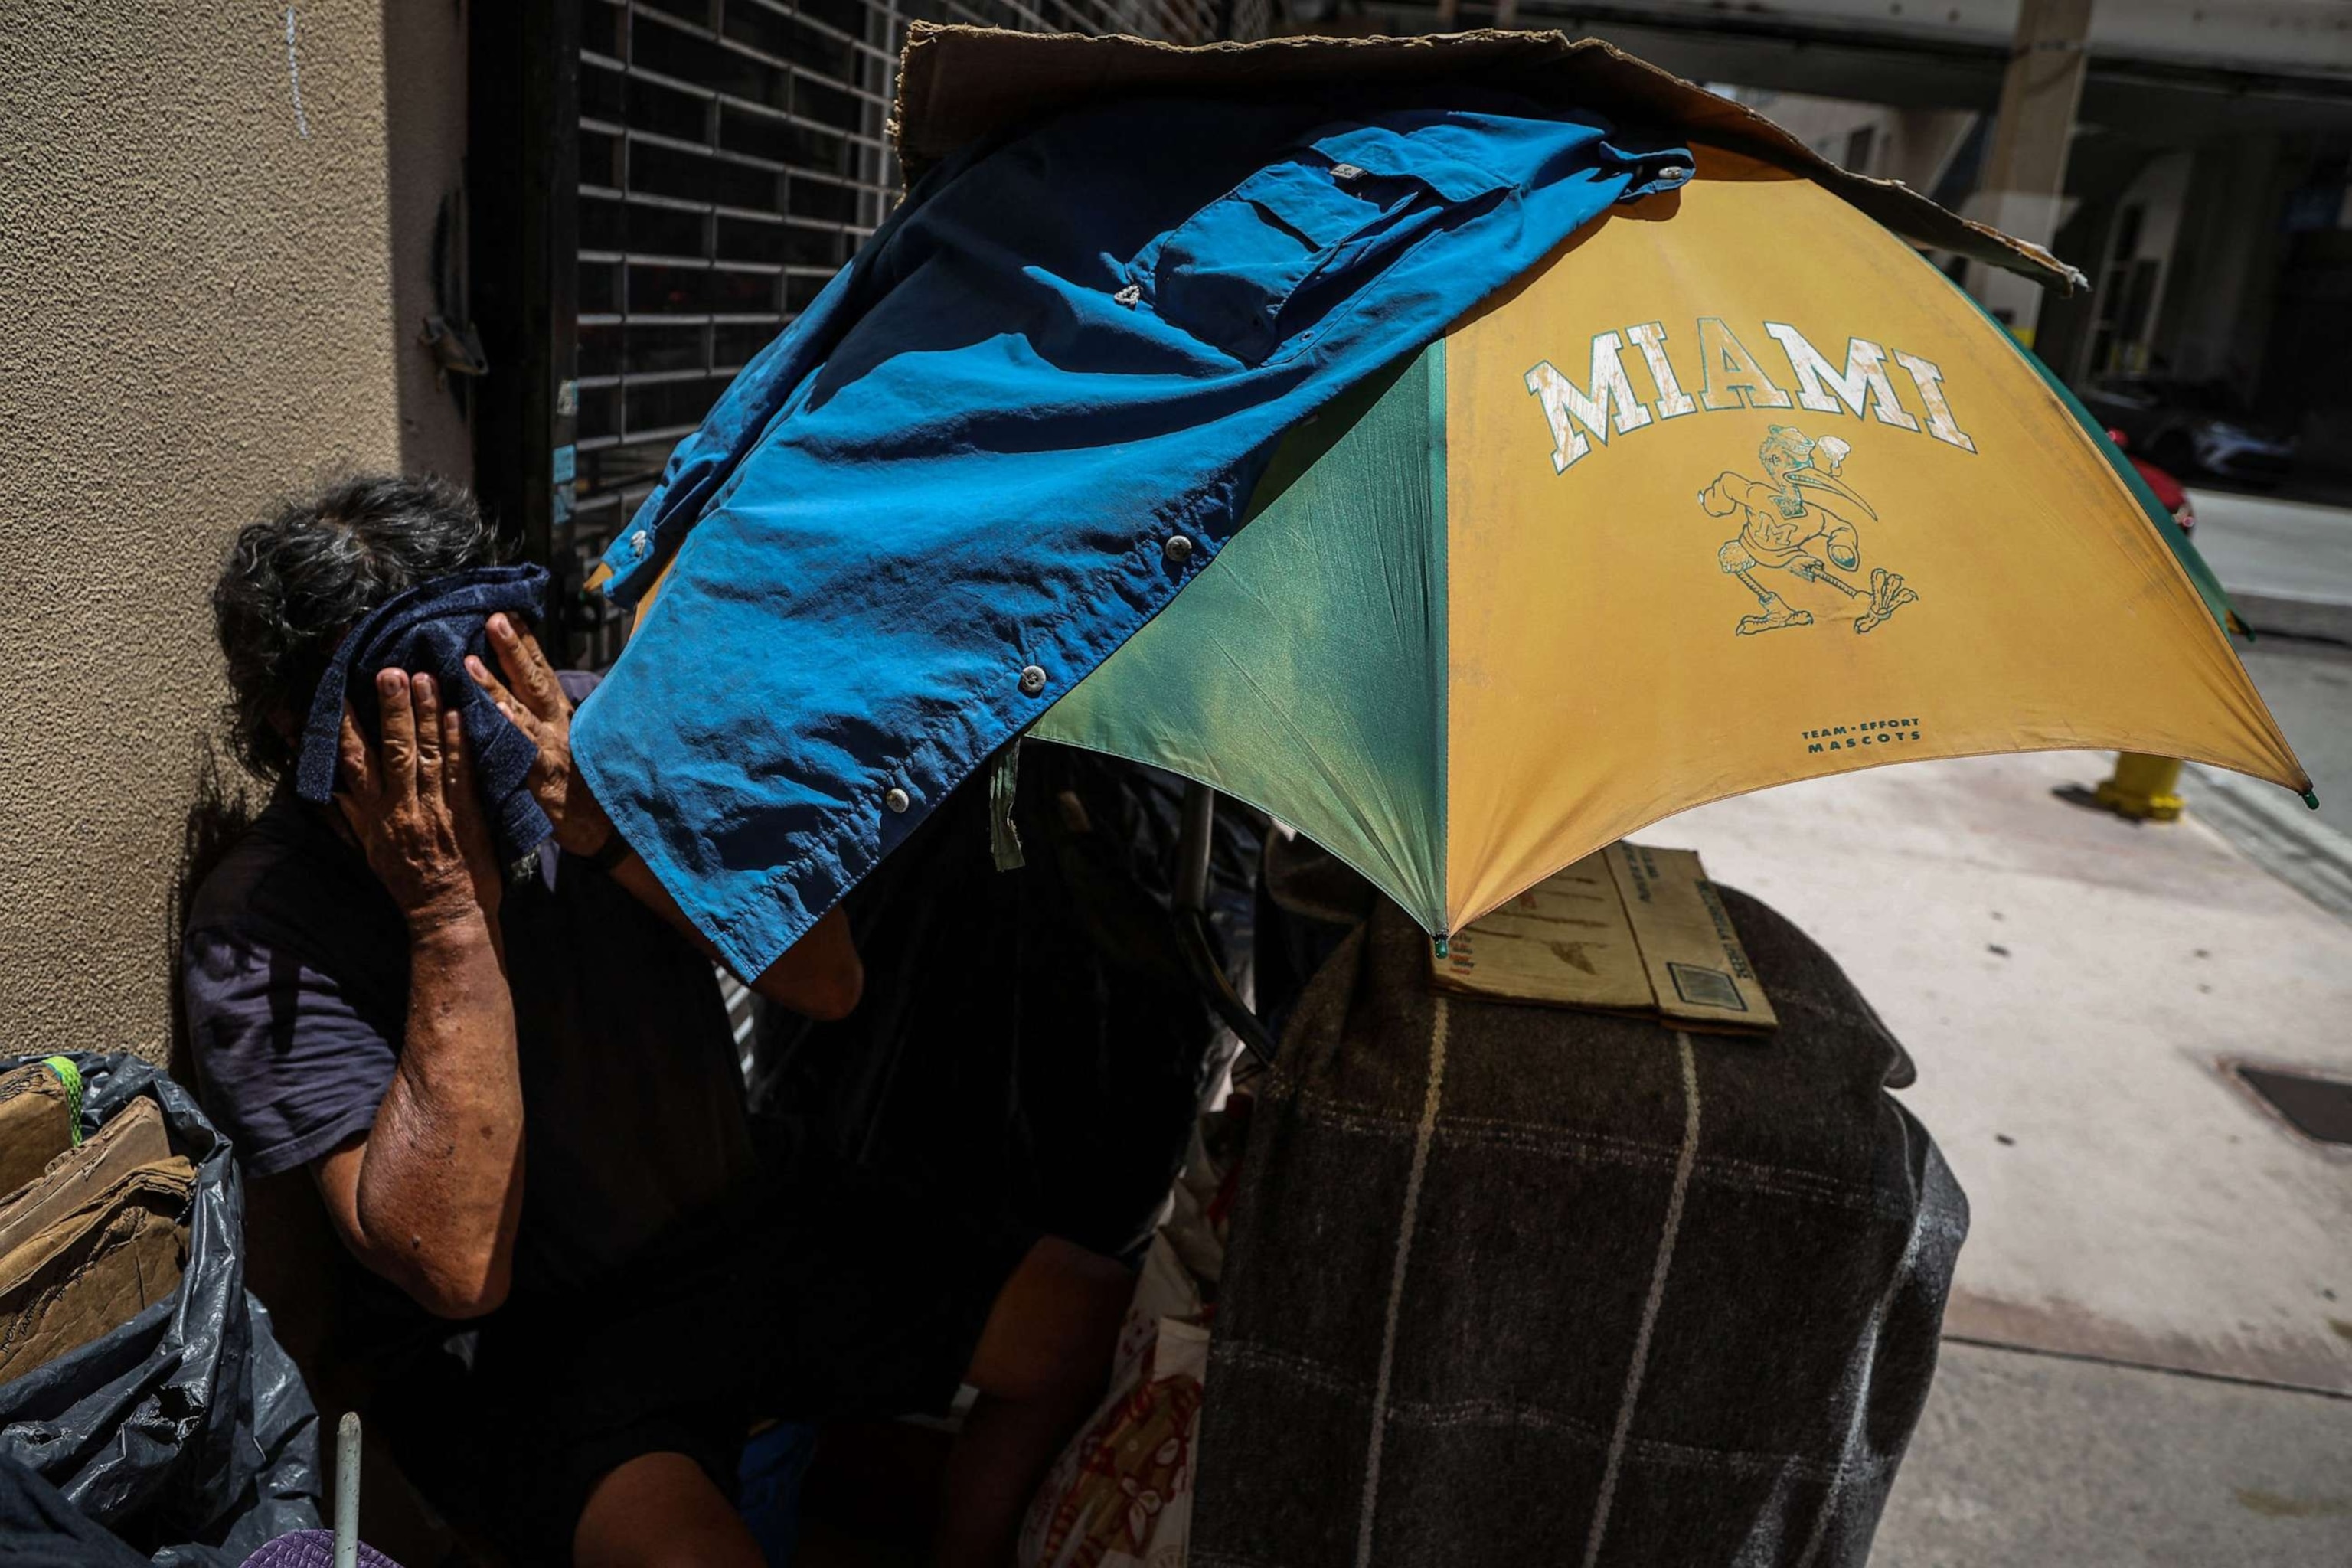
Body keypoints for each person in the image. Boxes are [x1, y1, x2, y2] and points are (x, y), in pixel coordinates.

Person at [181, 475, 1130, 1567]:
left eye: (465, 680)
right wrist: (446, 912)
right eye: (398, 710)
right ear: (302, 733)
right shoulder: (265, 928)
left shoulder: (588, 728)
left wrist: (605, 820)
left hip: (738, 1222)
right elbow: (455, 1271)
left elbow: (828, 982)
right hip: (532, 1347)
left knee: (1088, 1320)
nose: (451, 737)